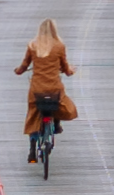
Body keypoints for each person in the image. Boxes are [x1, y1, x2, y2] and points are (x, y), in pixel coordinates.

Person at [15, 18, 76, 162]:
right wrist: (70, 71)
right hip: (54, 88)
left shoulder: (33, 46)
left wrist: (18, 71)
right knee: (61, 102)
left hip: (37, 88)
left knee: (33, 112)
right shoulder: (59, 46)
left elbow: (24, 65)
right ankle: (56, 124)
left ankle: (32, 148)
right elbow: (65, 67)